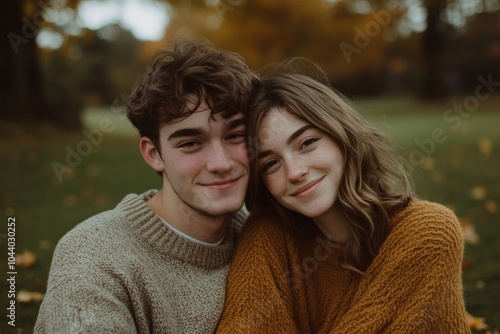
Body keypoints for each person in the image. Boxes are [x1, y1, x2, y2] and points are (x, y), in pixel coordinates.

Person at [216, 64, 471, 333]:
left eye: (306, 143)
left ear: (341, 135)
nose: (295, 172)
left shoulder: (429, 230)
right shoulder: (267, 237)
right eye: (270, 163)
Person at [34, 39, 256, 333]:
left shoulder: (263, 237)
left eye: (235, 136)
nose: (221, 163)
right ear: (153, 154)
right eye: (191, 143)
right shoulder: (94, 255)